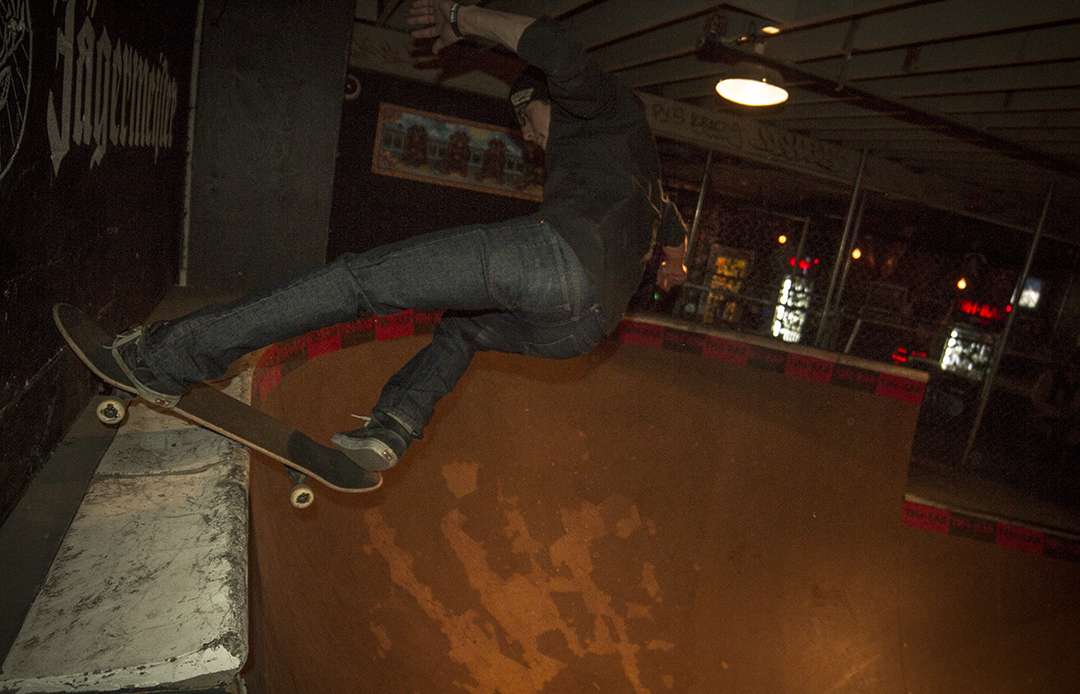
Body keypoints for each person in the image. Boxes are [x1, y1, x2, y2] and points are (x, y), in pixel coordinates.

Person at [107, 0, 688, 479]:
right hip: (583, 329)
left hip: (555, 258)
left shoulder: (598, 105)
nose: (528, 138)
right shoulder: (635, 161)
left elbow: (552, 45)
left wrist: (460, 17)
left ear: (546, 101)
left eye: (526, 122)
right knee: (465, 328)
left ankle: (168, 356)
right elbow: (669, 223)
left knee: (360, 282)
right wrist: (675, 262)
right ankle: (393, 427)